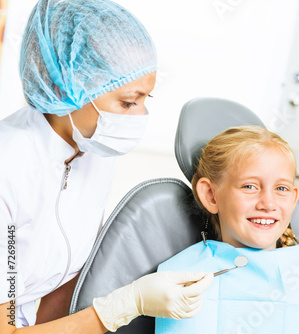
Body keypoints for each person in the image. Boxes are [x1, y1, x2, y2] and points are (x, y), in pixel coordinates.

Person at [0, 0, 212, 333]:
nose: (139, 115)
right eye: (128, 102)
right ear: (63, 86)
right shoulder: (8, 170)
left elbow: (65, 284)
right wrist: (125, 306)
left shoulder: (92, 147)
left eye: (145, 99)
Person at [155, 126, 299, 333]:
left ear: (293, 199)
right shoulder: (181, 278)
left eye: (281, 189)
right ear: (211, 195)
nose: (268, 203)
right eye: (249, 186)